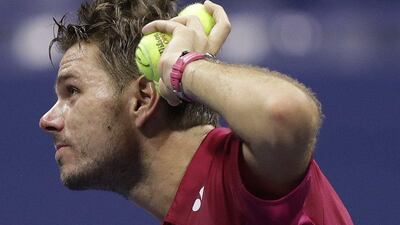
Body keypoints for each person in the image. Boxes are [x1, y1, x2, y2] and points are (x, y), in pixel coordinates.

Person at [39, 0, 354, 224]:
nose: (47, 120)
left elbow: (283, 112)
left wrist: (183, 68)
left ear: (142, 100)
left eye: (72, 91)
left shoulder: (234, 177)